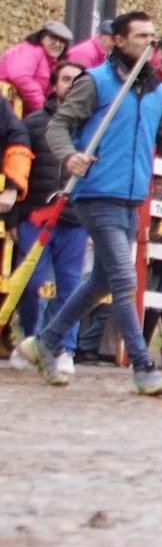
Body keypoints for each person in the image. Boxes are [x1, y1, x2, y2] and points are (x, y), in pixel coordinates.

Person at [18, 12, 162, 394]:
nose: (149, 43)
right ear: (118, 40)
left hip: (131, 199)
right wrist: (70, 156)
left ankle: (44, 342)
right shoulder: (94, 83)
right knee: (123, 277)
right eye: (140, 37)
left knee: (101, 279)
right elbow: (57, 125)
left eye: (152, 37)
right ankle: (143, 365)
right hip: (95, 194)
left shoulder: (156, 92)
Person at [11, 61, 85, 376]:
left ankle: (64, 347)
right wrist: (14, 217)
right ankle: (30, 339)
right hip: (36, 214)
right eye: (65, 79)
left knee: (70, 286)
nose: (70, 85)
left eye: (76, 81)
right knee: (31, 282)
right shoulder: (32, 124)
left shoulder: (89, 127)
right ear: (54, 84)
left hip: (74, 218)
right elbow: (18, 171)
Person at [0, 20, 72, 113]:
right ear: (41, 37)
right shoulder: (31, 50)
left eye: (62, 41)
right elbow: (20, 76)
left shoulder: (52, 61)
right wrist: (41, 107)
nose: (58, 44)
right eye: (53, 38)